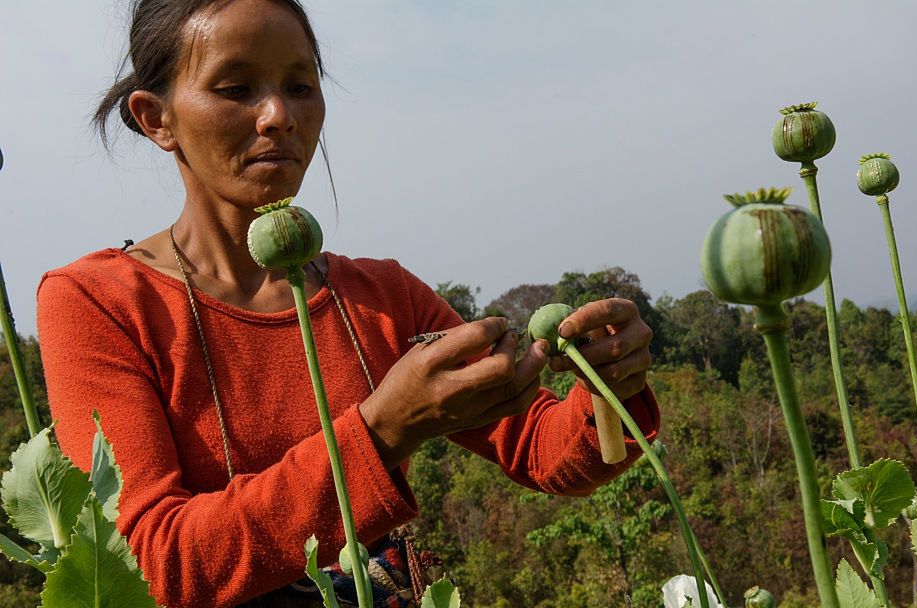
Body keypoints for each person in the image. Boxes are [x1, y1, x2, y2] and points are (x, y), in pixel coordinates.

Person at [35, 1, 660, 606]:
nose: (279, 114)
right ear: (155, 119)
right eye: (235, 88)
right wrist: (380, 433)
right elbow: (149, 565)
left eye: (301, 85)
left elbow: (546, 451)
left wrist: (608, 385)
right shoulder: (100, 301)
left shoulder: (382, 299)